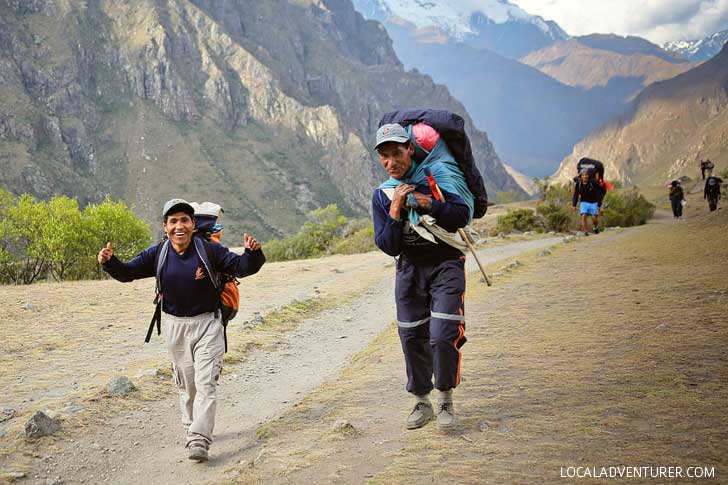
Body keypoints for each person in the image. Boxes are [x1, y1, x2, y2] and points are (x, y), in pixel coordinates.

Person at [97, 199, 265, 462]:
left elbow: (242, 266)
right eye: (173, 221)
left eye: (184, 220)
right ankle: (191, 427)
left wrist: (252, 253)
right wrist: (110, 262)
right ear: (165, 227)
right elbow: (128, 272)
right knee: (187, 386)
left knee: (206, 382)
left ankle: (199, 438)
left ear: (193, 224)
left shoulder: (208, 251)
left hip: (208, 324)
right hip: (175, 327)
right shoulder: (159, 253)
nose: (179, 226)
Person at [371, 123, 471, 432]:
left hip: (446, 265)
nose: (392, 162)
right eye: (385, 157)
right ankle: (421, 401)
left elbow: (461, 216)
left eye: (397, 153)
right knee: (412, 336)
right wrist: (396, 208)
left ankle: (445, 400)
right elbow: (388, 245)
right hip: (410, 270)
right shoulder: (384, 195)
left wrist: (430, 203)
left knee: (442, 334)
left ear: (410, 150)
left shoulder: (436, 178)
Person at [572, 168, 606, 234]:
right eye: (583, 175)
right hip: (583, 202)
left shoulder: (593, 183)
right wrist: (574, 205)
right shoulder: (578, 184)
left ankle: (595, 227)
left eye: (586, 175)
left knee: (594, 219)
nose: (585, 176)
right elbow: (576, 195)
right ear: (581, 176)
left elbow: (598, 193)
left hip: (593, 202)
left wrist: (599, 204)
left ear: (588, 176)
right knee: (583, 215)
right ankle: (586, 231)